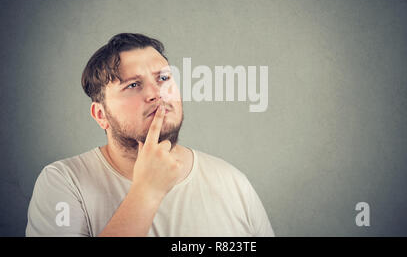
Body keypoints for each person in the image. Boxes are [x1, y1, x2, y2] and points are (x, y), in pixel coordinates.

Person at [25, 33, 275, 237]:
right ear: (100, 115)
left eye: (164, 78)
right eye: (133, 85)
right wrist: (146, 191)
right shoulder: (63, 183)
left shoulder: (233, 183)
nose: (157, 93)